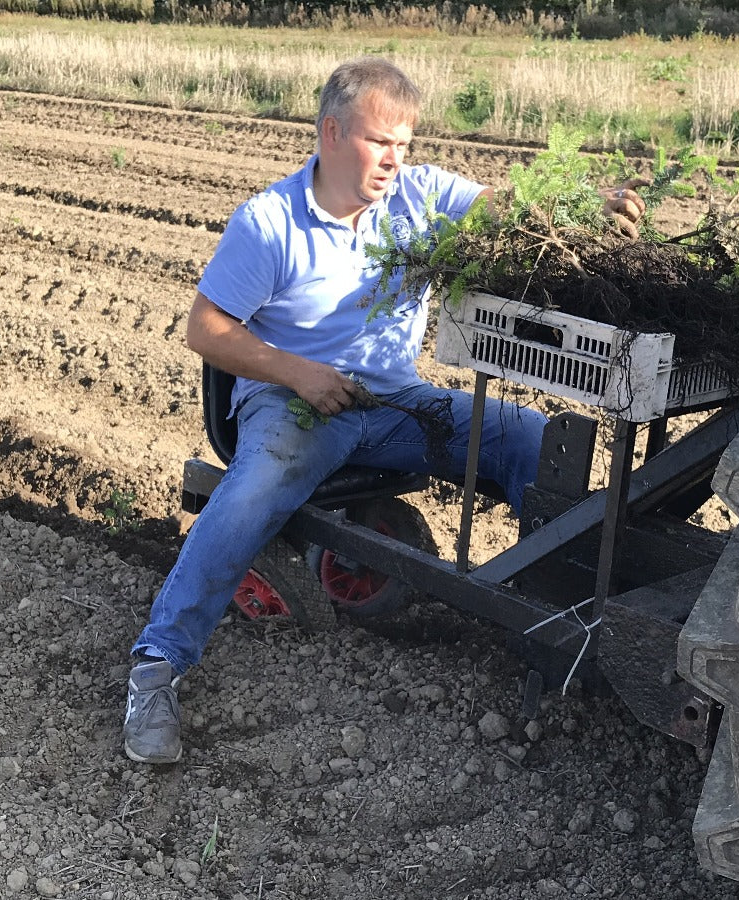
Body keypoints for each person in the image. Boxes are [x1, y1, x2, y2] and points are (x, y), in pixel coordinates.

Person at [123, 57, 646, 764]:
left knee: (527, 439)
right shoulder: (271, 222)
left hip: (395, 401)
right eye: (380, 142)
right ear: (332, 133)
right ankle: (157, 667)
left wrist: (586, 205)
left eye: (405, 144)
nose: (395, 160)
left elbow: (504, 206)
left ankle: (563, 626)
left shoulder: (418, 196)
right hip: (294, 403)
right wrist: (297, 372)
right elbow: (205, 329)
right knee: (249, 496)